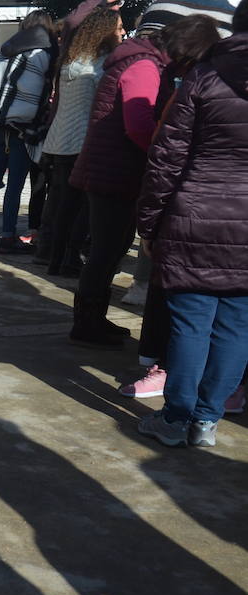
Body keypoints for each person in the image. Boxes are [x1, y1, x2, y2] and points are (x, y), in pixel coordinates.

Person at [67, 14, 222, 348]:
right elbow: (138, 125)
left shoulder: (141, 60)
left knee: (110, 249)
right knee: (106, 251)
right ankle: (87, 324)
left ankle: (94, 319)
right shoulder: (144, 66)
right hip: (115, 172)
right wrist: (169, 153)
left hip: (112, 169)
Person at [135, 2, 248, 448]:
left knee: (190, 324)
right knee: (238, 326)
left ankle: (176, 418)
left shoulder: (204, 76)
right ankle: (206, 422)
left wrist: (148, 222)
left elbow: (166, 158)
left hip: (195, 218)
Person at [36, 9, 123, 280]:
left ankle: (55, 257)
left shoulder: (71, 60)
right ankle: (72, 259)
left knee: (63, 204)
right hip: (84, 140)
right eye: (119, 27)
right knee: (83, 208)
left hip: (60, 139)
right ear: (105, 32)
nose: (122, 32)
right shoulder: (102, 64)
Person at [0, 10, 56, 253]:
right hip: (21, 128)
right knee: (15, 184)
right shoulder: (40, 55)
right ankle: (8, 238)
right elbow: (38, 93)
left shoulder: (4, 50)